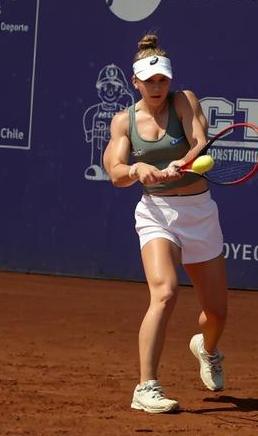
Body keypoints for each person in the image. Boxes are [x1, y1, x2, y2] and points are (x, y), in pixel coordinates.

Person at [103, 34, 229, 414]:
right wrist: (139, 168)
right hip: (157, 214)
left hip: (199, 212)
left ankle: (207, 349)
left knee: (217, 314)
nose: (157, 87)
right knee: (165, 292)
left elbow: (199, 142)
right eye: (149, 81)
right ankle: (146, 386)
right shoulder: (124, 121)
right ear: (135, 82)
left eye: (163, 80)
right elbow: (115, 172)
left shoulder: (184, 101)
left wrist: (182, 164)